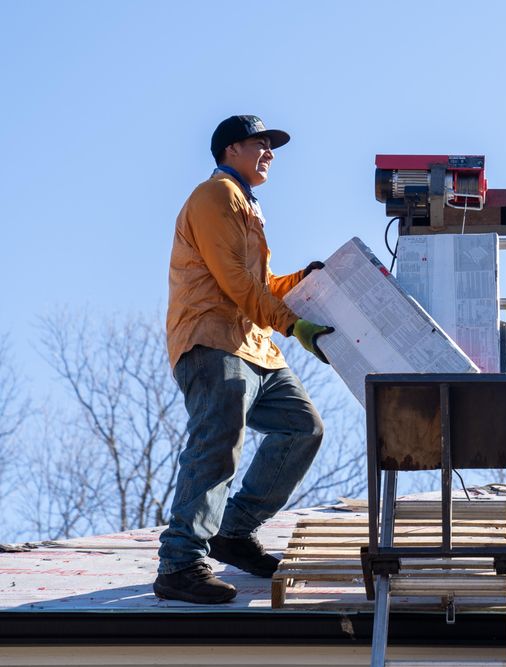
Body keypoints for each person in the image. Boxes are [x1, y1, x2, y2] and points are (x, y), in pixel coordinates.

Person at [155, 115, 333, 603]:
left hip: (255, 346)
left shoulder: (248, 205)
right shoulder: (215, 196)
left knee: (303, 428)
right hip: (213, 339)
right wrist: (294, 325)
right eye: (261, 144)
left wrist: (303, 281)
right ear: (231, 149)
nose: (270, 153)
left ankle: (232, 531)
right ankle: (180, 562)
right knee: (218, 441)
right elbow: (233, 280)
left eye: (272, 147)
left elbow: (260, 285)